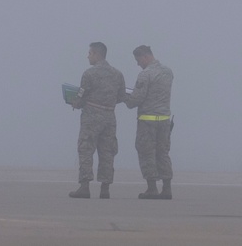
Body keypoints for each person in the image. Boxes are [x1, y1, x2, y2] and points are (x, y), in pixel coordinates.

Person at [68, 42, 126, 199]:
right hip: (109, 116)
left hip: (91, 116)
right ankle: (105, 188)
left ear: (96, 54)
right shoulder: (118, 74)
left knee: (86, 149)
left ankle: (85, 186)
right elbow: (121, 97)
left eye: (90, 53)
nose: (88, 56)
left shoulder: (89, 74)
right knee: (107, 152)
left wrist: (74, 102)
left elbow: (80, 97)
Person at [124, 45, 174, 199]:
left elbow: (136, 100)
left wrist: (125, 97)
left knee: (147, 153)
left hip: (147, 121)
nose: (138, 64)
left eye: (138, 60)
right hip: (165, 120)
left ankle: (152, 188)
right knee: (163, 153)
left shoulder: (145, 75)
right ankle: (167, 188)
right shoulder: (168, 72)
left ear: (144, 57)